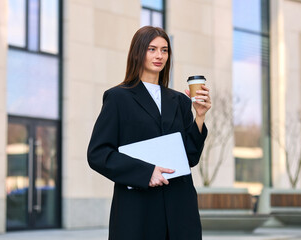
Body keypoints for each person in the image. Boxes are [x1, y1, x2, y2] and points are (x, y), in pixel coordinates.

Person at [87, 26, 211, 240]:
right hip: (138, 210)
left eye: (164, 50)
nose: (159, 56)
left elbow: (190, 157)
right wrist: (146, 172)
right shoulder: (118, 97)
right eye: (152, 49)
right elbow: (98, 153)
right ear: (138, 52)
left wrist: (199, 117)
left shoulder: (180, 100)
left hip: (180, 208)